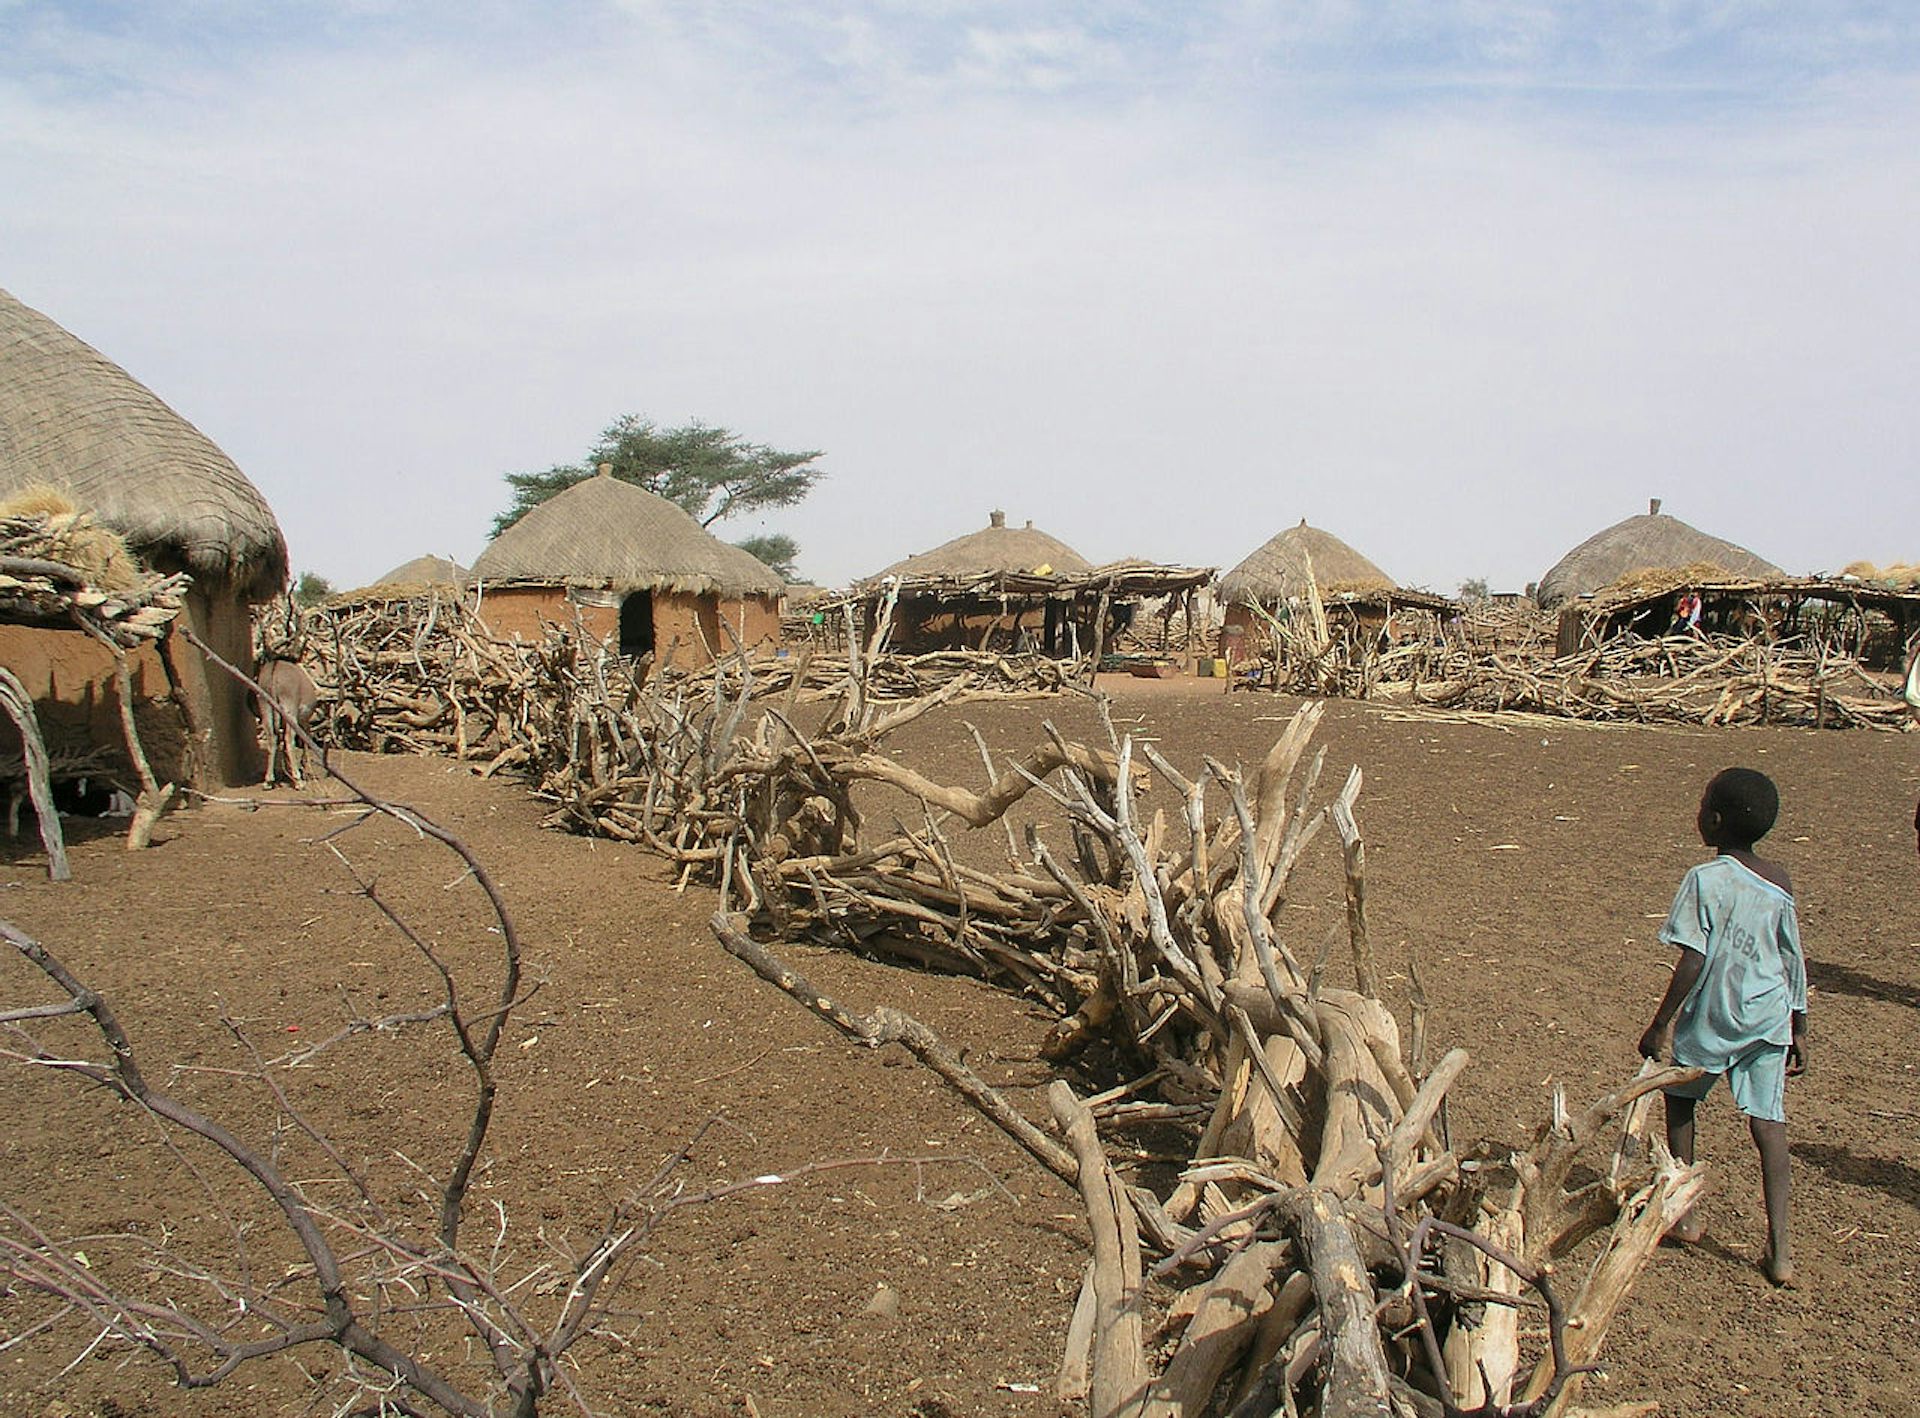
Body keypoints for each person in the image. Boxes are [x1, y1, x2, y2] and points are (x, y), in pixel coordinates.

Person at [1637, 767, 1807, 1286]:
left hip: (1715, 1014)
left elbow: (1692, 959)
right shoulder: (1779, 882)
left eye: (1703, 802)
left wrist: (1660, 1023)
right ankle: (1780, 1252)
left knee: (1683, 1100)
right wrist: (1800, 1023)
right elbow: (1791, 957)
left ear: (1714, 819)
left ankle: (1684, 1213)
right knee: (1768, 1125)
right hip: (1768, 1015)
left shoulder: (1704, 880)